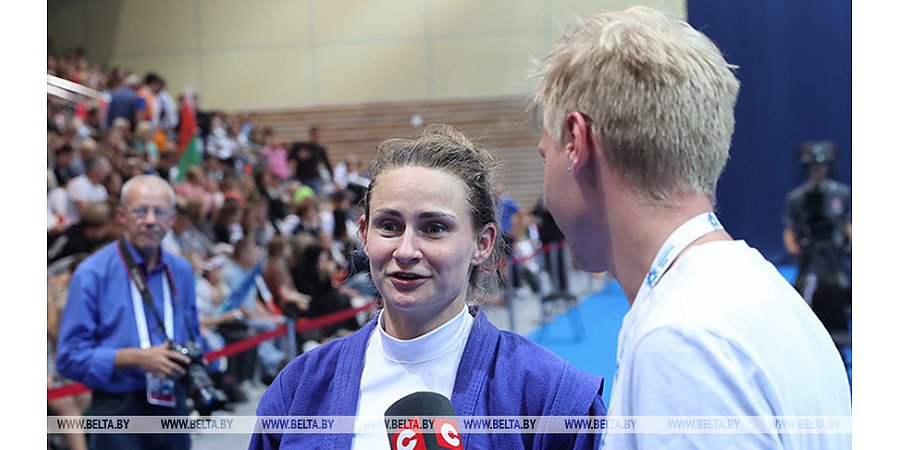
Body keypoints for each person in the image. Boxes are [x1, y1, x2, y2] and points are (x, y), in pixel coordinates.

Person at [529, 6, 850, 449]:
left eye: (544, 156)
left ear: (576, 142)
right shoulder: (756, 289)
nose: (547, 189)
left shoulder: (682, 338)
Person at [251, 124, 605, 449]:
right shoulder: (300, 389)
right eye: (389, 226)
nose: (405, 251)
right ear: (363, 234)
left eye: (434, 228)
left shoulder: (549, 396)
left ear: (482, 243)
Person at [56, 174, 202, 450]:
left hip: (173, 404)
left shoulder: (181, 271)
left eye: (159, 212)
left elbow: (192, 334)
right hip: (118, 409)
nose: (150, 220)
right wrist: (135, 358)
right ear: (122, 216)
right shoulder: (92, 273)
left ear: (171, 219)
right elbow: (69, 357)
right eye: (140, 210)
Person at [783, 141, 852, 335]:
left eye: (822, 166)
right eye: (814, 166)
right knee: (805, 298)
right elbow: (789, 227)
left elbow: (847, 223)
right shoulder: (797, 198)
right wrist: (793, 244)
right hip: (809, 258)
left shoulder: (841, 194)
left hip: (835, 257)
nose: (818, 170)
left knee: (839, 294)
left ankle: (840, 340)